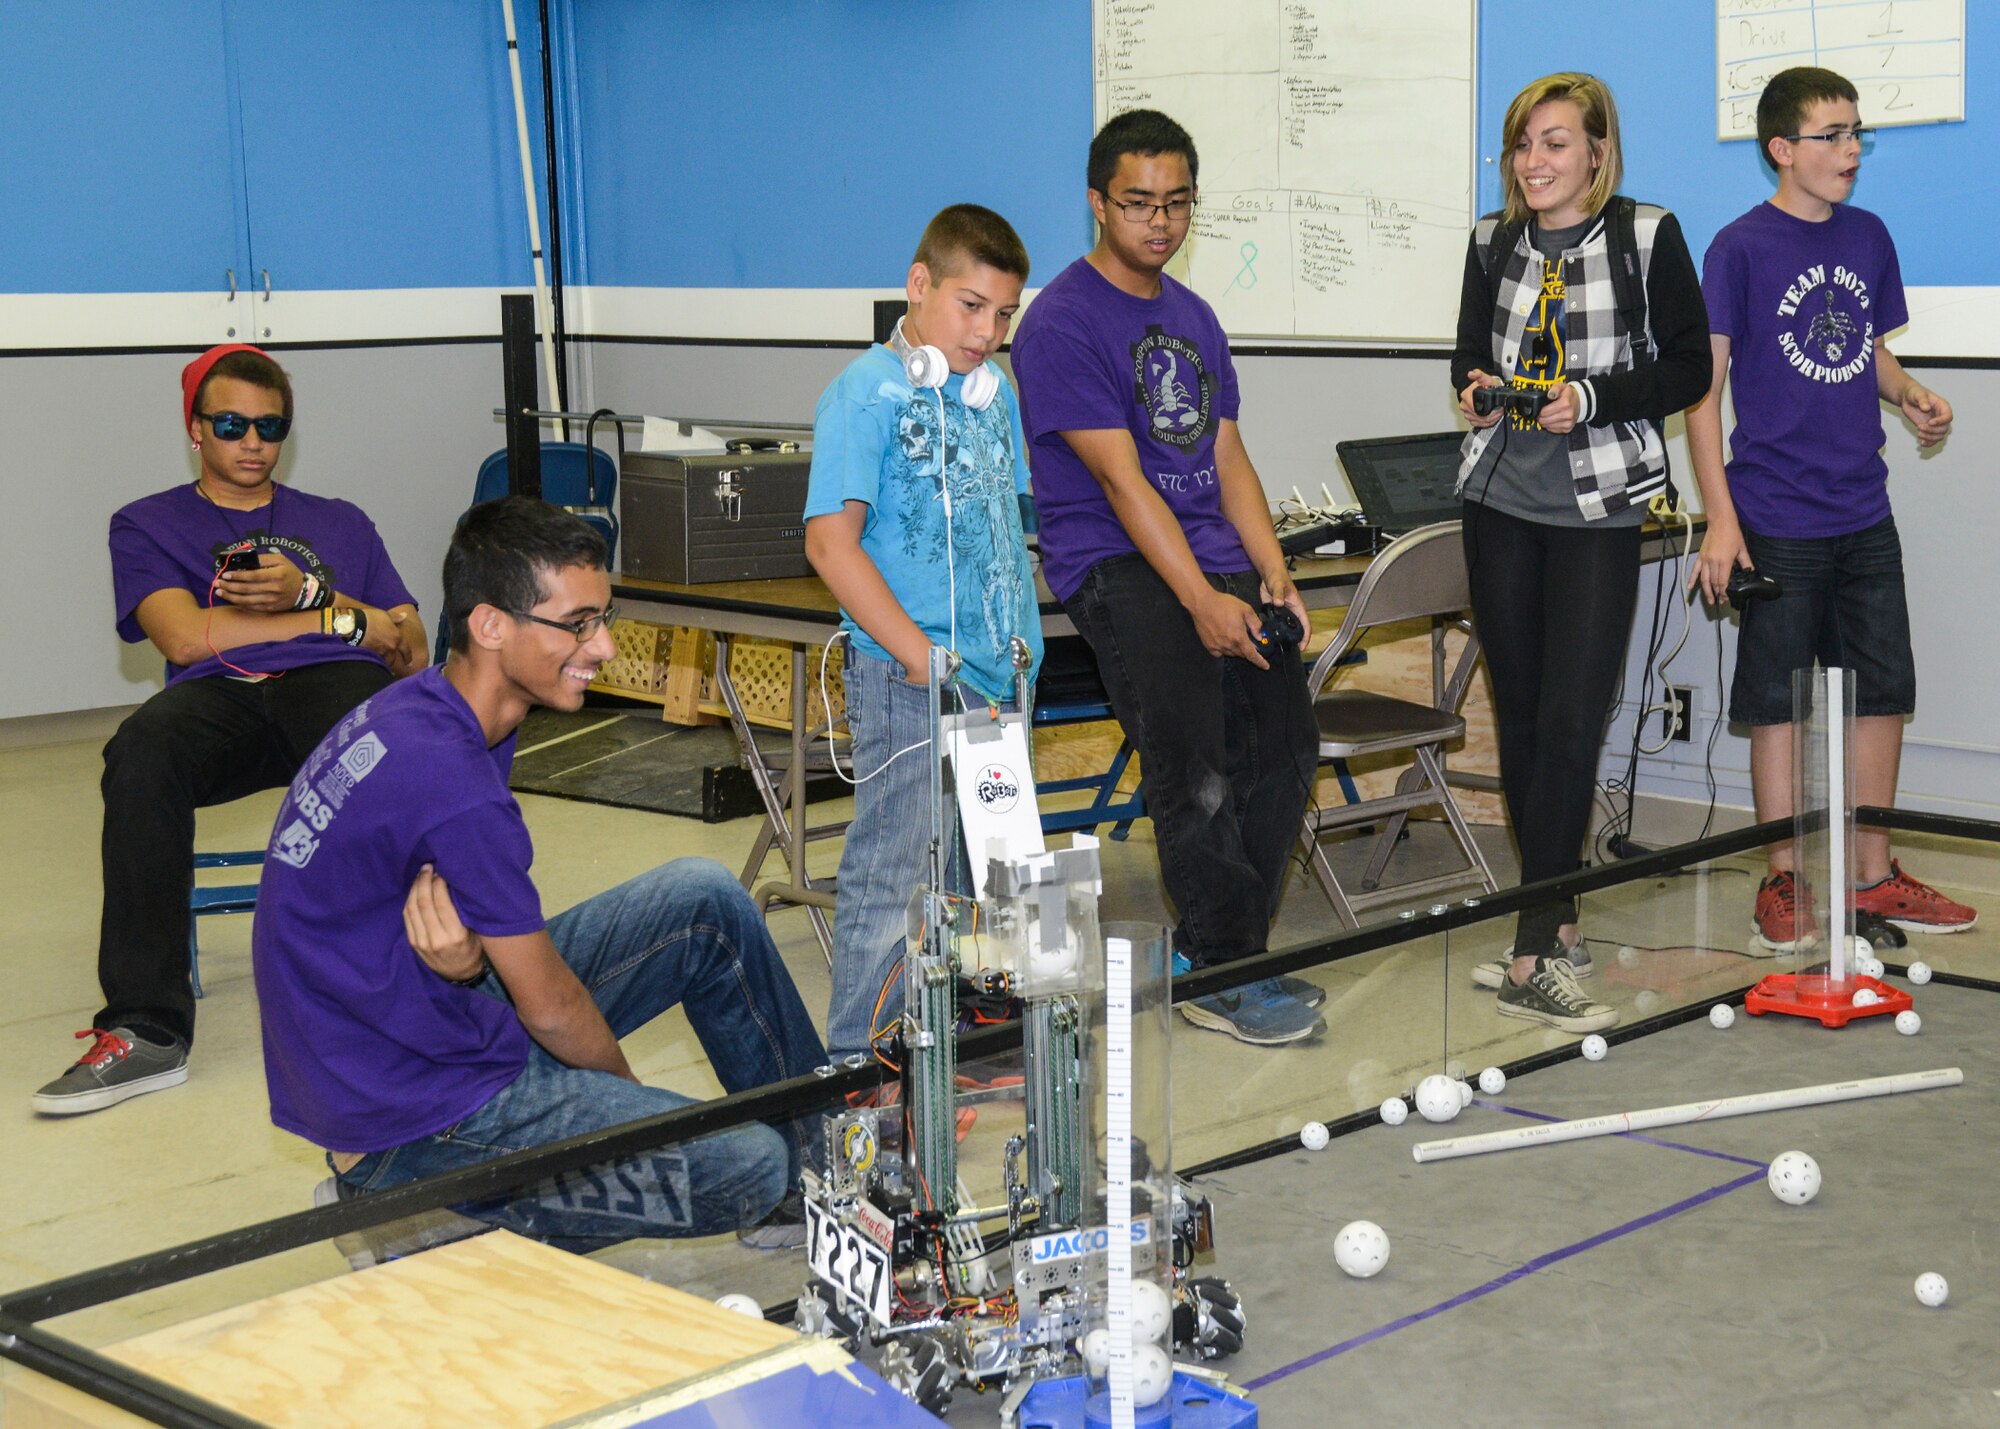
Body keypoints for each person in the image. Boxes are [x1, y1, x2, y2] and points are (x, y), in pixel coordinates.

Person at [253, 496, 826, 1252]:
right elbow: (551, 1007)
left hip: (412, 1026)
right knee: (747, 1165)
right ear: (490, 624)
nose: (606, 647)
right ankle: (417, 1211)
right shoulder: (451, 772)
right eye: (578, 623)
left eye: (603, 617)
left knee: (705, 899)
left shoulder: (429, 706)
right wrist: (632, 1118)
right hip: (408, 1115)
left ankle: (827, 1174)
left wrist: (462, 969)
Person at [34, 344, 425, 1116]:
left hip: (331, 683)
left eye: (270, 425)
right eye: (231, 422)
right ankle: (148, 1026)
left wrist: (314, 592)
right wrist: (329, 615)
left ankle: (418, 976)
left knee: (391, 732)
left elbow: (409, 652)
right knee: (141, 750)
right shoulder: (147, 523)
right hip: (220, 699)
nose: (252, 440)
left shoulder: (340, 522)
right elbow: (183, 638)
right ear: (196, 429)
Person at [1010, 110, 1324, 1047]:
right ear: (1098, 203)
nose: (1160, 221)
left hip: (1212, 553)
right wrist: (1197, 601)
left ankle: (1228, 948)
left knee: (1285, 745)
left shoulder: (1193, 317)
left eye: (1177, 202)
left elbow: (1227, 457)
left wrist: (1271, 572)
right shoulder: (1061, 321)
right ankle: (1223, 972)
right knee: (1195, 764)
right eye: (1139, 203)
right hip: (1114, 561)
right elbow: (1120, 479)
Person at [1451, 73, 1712, 1031]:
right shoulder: (1491, 239)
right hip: (1499, 502)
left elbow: (1690, 366)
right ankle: (1553, 924)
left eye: (1556, 143)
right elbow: (1463, 359)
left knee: (1571, 719)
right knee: (1521, 720)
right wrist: (1483, 390)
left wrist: (1590, 398)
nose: (1534, 162)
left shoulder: (1648, 234)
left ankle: (1529, 944)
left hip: (1599, 509)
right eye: (1523, 143)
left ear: (1598, 154)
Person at [1687, 66, 1965, 949]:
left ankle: (1872, 875)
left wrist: (1907, 390)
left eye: (1857, 134)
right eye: (1832, 135)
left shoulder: (1869, 236)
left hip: (1863, 508)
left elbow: (1862, 352)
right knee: (1778, 702)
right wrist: (1721, 519)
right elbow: (1703, 397)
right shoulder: (1738, 247)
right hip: (1774, 512)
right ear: (1782, 149)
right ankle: (1783, 880)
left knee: (1883, 690)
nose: (1851, 151)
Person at [804, 204, 1043, 1062]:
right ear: (919, 285)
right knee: (895, 876)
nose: (989, 333)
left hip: (998, 676)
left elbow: (1002, 529)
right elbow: (830, 543)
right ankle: (856, 1073)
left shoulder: (992, 396)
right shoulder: (863, 395)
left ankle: (947, 1057)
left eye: (1004, 314)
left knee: (982, 879)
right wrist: (919, 655)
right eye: (971, 306)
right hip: (910, 676)